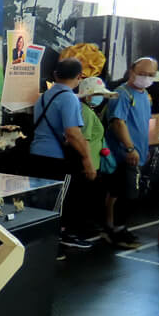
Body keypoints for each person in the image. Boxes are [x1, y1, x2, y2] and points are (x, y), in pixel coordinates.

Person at [29, 58, 96, 251]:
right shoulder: (69, 98)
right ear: (79, 77)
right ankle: (56, 243)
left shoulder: (44, 96)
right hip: (57, 158)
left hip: (37, 154)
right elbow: (73, 134)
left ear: (56, 74)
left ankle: (42, 242)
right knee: (60, 201)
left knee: (41, 200)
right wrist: (87, 161)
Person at [103, 57, 159, 249]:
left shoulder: (144, 95)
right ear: (132, 70)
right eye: (142, 73)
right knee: (127, 194)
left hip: (137, 153)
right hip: (124, 154)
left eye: (150, 75)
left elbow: (141, 124)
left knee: (117, 192)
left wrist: (143, 149)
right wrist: (130, 147)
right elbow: (118, 122)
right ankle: (116, 229)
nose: (145, 78)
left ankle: (113, 228)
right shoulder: (122, 94)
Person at [76, 76, 118, 234]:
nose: (101, 98)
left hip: (94, 161)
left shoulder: (88, 110)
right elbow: (84, 140)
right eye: (97, 94)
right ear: (87, 95)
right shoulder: (85, 112)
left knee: (90, 197)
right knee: (86, 198)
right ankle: (82, 228)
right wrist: (89, 165)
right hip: (89, 164)